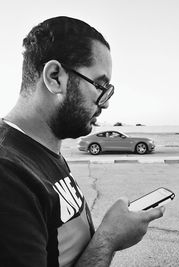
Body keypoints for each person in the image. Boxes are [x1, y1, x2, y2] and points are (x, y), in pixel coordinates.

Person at [0, 16, 165, 267]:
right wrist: (108, 239)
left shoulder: (43, 149)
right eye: (100, 85)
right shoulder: (7, 175)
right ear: (55, 77)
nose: (106, 101)